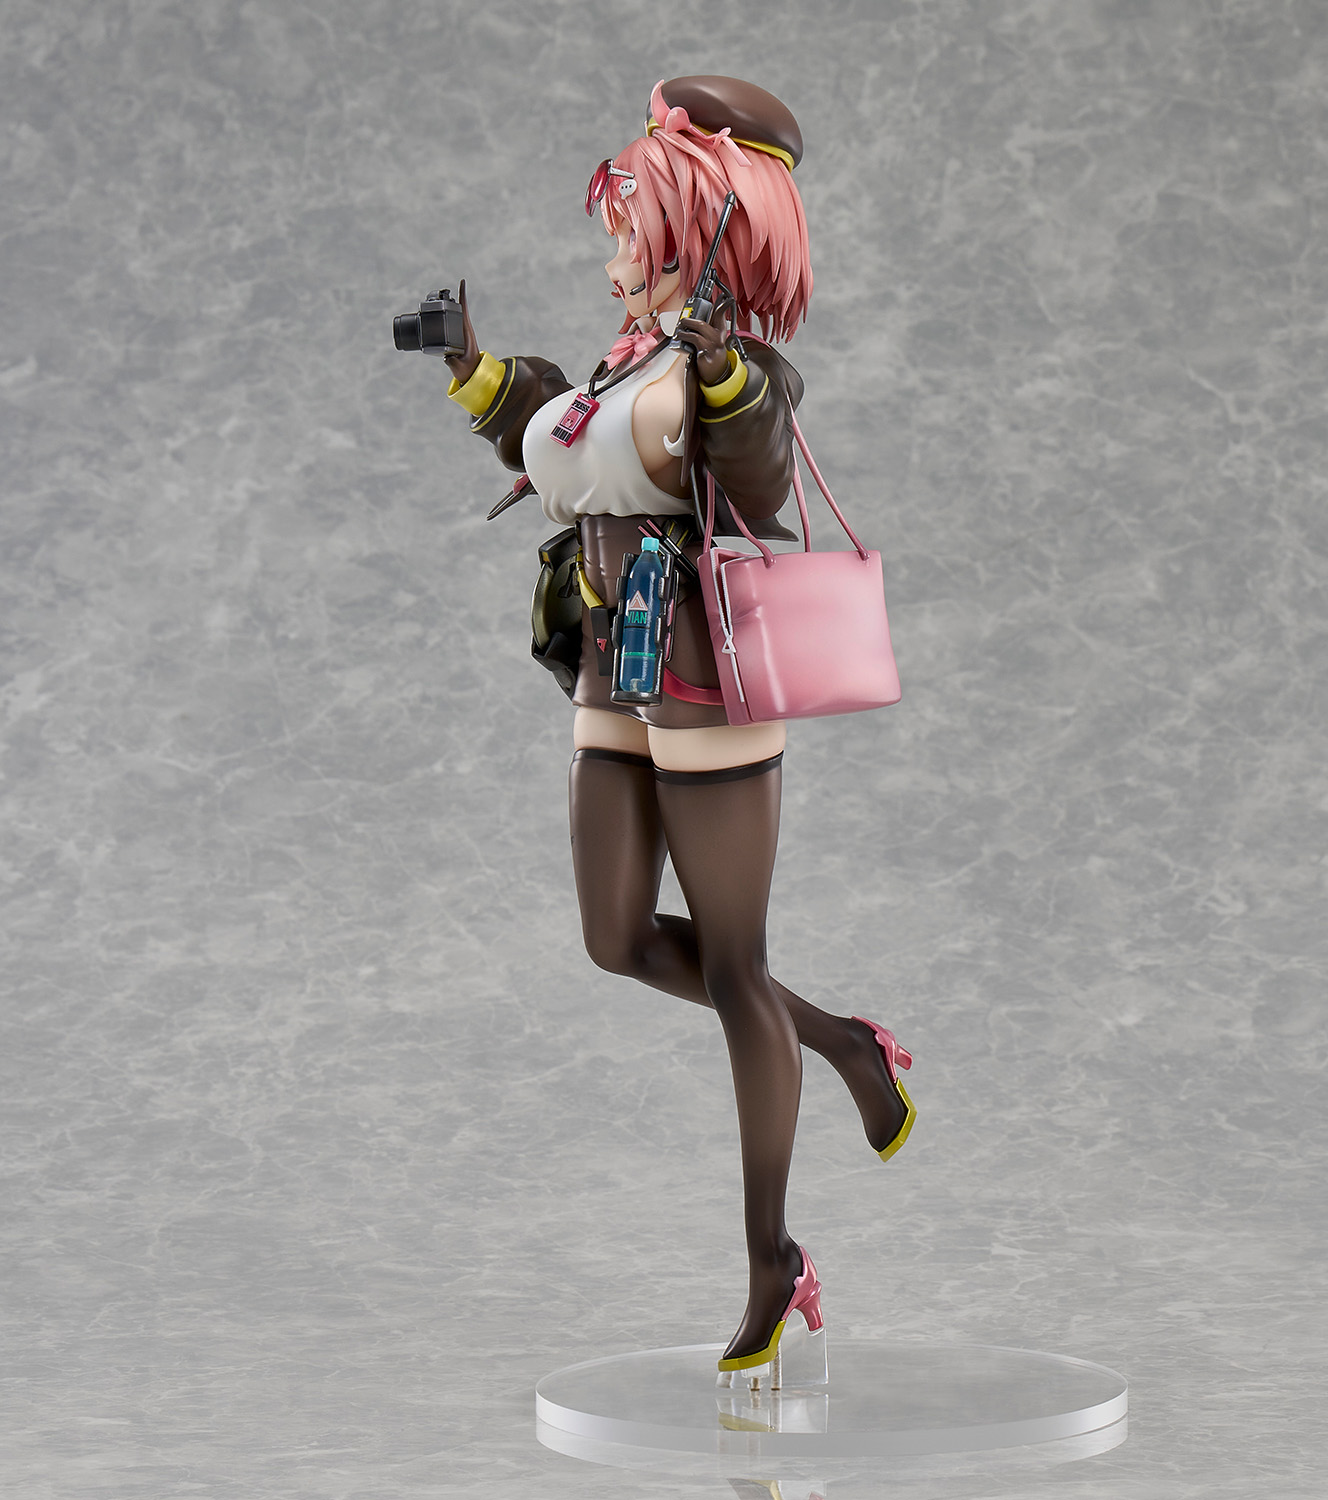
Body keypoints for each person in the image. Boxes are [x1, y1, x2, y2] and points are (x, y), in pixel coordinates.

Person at [434, 76, 915, 1375]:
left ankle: (773, 1261)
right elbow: (551, 445)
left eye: (633, 236)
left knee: (733, 967)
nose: (612, 264)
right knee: (614, 936)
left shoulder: (726, 366)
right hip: (612, 657)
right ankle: (847, 1043)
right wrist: (474, 373)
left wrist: (718, 369)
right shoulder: (614, 363)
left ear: (700, 238)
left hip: (701, 664)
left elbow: (757, 474)